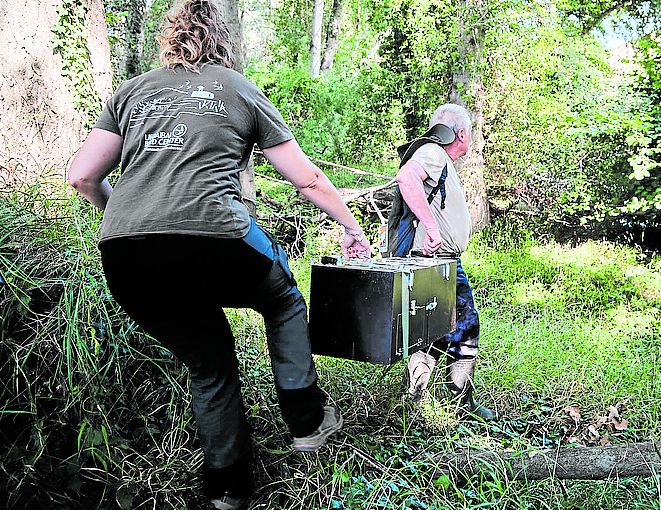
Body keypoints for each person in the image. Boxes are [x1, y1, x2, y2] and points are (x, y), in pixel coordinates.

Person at [66, 1, 370, 508]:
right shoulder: (237, 88)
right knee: (283, 298)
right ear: (224, 41)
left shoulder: (132, 91)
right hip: (216, 238)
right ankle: (308, 421)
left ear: (169, 39)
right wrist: (351, 225)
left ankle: (227, 493)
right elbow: (308, 178)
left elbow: (81, 176)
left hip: (127, 257)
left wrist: (125, 218)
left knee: (209, 365)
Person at [395, 104, 496, 421]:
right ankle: (460, 405)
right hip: (434, 261)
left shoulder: (440, 160)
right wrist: (433, 227)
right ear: (462, 134)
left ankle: (417, 403)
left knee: (431, 331)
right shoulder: (434, 153)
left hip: (439, 261)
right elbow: (406, 177)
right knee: (465, 329)